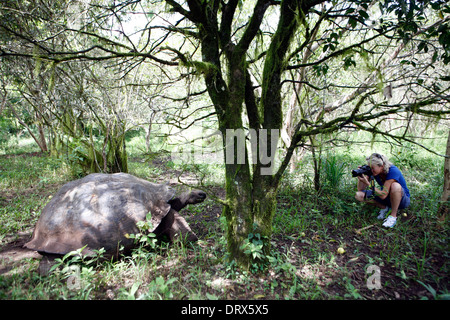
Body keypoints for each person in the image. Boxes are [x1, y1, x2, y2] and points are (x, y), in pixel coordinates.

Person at [355, 153, 410, 228]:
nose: (371, 170)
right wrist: (361, 176)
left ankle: (393, 216)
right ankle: (385, 208)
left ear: (382, 166)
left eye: (372, 168)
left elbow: (383, 195)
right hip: (387, 197)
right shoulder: (374, 172)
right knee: (359, 195)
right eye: (369, 167)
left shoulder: (393, 171)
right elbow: (360, 189)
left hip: (401, 200)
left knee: (395, 186)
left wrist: (368, 183)